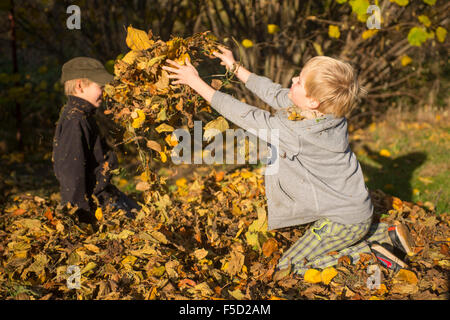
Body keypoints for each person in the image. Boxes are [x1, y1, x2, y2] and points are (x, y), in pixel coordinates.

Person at [162, 47, 415, 274]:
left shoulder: (296, 131)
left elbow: (246, 115)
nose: (293, 80)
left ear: (313, 100)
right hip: (356, 211)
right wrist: (234, 66)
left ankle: (370, 256)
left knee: (289, 267)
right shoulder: (328, 116)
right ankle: (386, 234)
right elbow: (272, 92)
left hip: (343, 221)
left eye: (299, 81)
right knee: (321, 245)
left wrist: (195, 82)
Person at [53, 57, 141, 227]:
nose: (104, 91)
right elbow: (71, 173)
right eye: (99, 86)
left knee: (143, 214)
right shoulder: (75, 120)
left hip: (105, 195)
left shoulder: (83, 115)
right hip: (97, 203)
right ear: (79, 86)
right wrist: (81, 217)